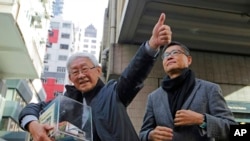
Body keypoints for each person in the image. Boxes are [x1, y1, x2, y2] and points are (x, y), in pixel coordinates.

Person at [18, 13, 172, 141]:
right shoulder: (65, 103)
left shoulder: (113, 93)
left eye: (85, 69)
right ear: (70, 79)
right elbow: (32, 108)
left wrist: (152, 45)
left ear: (98, 71)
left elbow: (133, 74)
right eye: (75, 72)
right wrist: (33, 125)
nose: (81, 75)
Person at [139, 41, 238, 141]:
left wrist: (202, 120)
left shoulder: (209, 89)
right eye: (166, 55)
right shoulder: (154, 97)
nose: (169, 57)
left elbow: (233, 130)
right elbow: (143, 133)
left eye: (175, 52)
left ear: (189, 60)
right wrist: (150, 135)